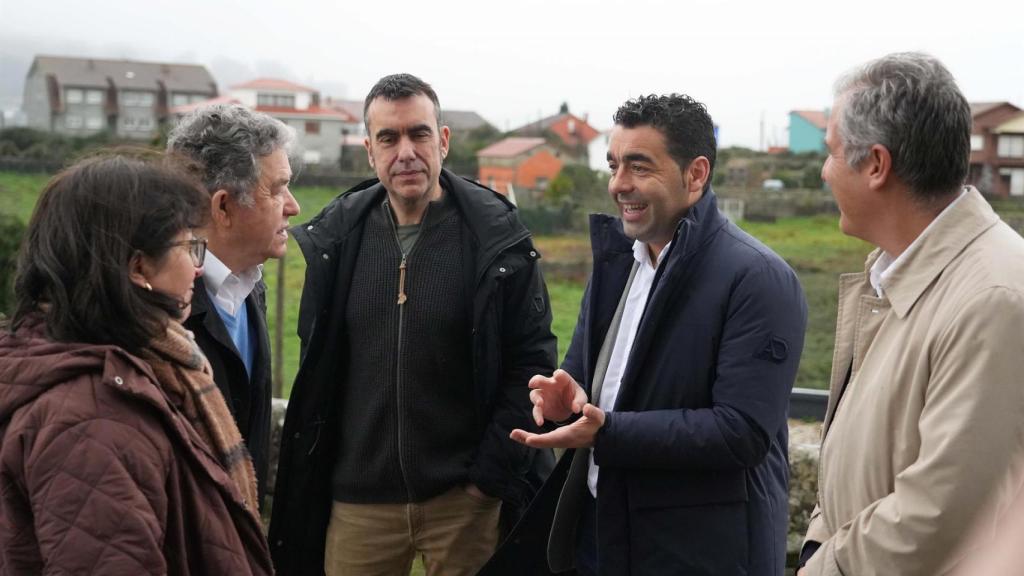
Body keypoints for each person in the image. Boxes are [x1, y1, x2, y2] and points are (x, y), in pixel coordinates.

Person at [268, 73, 557, 576]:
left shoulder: (497, 239)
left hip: (463, 502)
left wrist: (487, 478)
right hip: (359, 504)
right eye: (389, 137)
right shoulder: (336, 242)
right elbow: (318, 369)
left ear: (442, 140)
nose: (406, 151)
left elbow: (530, 363)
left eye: (419, 134)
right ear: (369, 150)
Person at [510, 93, 807, 575]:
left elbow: (741, 433)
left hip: (698, 556)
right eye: (613, 165)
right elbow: (590, 377)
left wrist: (606, 430)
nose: (618, 185)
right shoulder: (619, 263)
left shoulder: (758, 278)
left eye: (639, 167)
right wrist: (569, 391)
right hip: (602, 540)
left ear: (695, 174)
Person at [797, 52, 1024, 576]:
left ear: (876, 165)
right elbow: (849, 464)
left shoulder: (992, 298)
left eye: (832, 152)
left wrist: (823, 566)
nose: (825, 170)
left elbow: (940, 517)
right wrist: (817, 541)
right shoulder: (898, 272)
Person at [0, 153, 273, 574]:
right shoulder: (92, 420)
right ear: (139, 267)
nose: (198, 268)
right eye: (188, 247)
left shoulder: (136, 369)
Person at [168, 104, 301, 506]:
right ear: (223, 207)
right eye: (277, 189)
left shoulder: (248, 285)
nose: (293, 205)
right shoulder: (161, 309)